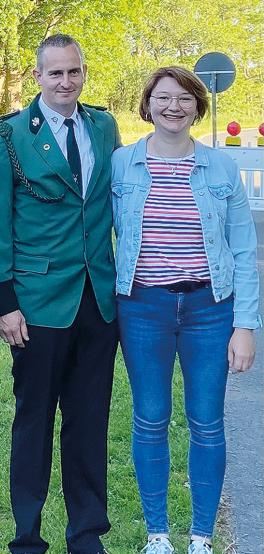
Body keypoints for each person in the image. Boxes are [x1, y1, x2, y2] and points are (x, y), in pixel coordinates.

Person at [0, 34, 120, 554]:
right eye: (55, 73)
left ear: (84, 74)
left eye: (74, 72)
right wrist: (4, 302)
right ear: (37, 76)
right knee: (33, 422)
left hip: (99, 302)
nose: (66, 82)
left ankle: (87, 534)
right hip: (35, 304)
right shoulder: (7, 137)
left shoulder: (104, 126)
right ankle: (27, 536)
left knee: (89, 423)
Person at [111, 66, 259, 554]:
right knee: (150, 417)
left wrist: (245, 326)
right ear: (147, 104)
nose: (173, 107)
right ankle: (158, 535)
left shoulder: (220, 169)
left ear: (199, 106)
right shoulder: (122, 164)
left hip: (209, 309)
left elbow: (243, 250)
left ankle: (199, 536)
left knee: (206, 420)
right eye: (163, 98)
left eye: (184, 99)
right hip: (143, 307)